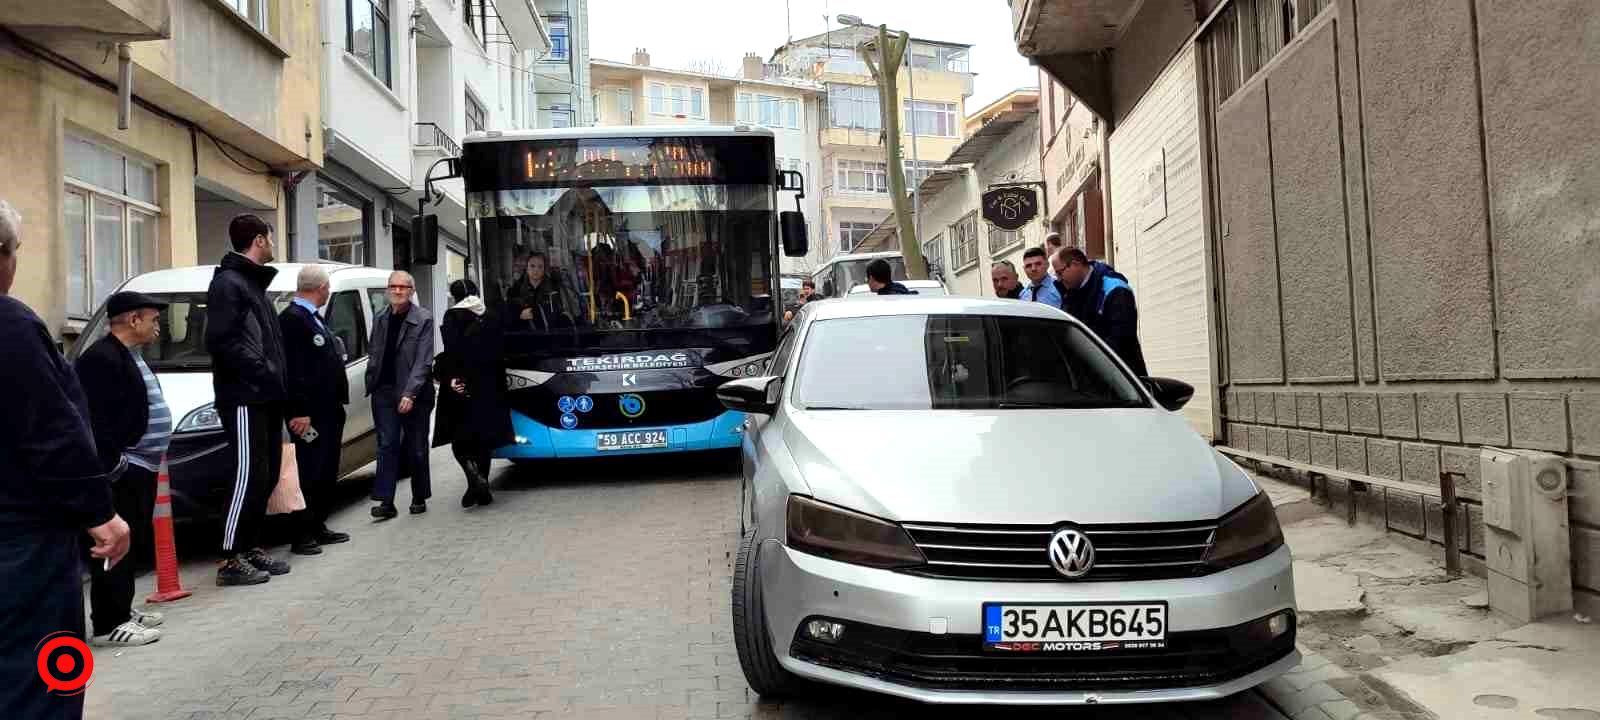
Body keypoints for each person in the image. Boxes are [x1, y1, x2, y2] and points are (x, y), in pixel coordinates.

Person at [0, 199, 129, 720]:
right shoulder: (11, 327)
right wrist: (101, 513)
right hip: (23, 550)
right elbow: (53, 432)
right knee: (49, 678)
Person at [73, 291, 173, 648]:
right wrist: (117, 465)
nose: (157, 327)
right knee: (115, 543)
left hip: (141, 466)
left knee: (130, 543)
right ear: (134, 320)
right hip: (123, 470)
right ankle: (108, 623)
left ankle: (122, 610)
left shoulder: (128, 354)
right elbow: (91, 421)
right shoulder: (101, 359)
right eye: (153, 320)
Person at [205, 213, 291, 586]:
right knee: (246, 475)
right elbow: (223, 342)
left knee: (266, 474)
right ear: (259, 240)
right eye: (270, 238)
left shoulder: (252, 285)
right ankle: (230, 558)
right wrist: (263, 372)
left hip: (265, 396)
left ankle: (250, 545)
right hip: (244, 396)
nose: (272, 244)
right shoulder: (228, 284)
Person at [278, 265, 351, 555]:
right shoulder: (292, 320)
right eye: (327, 288)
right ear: (321, 288)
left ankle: (318, 524)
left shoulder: (312, 318)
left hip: (328, 410)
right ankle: (301, 533)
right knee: (309, 471)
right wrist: (298, 410)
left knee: (325, 471)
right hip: (309, 415)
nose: (328, 292)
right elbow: (292, 371)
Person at [433, 279, 514, 508]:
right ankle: (481, 484)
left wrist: (453, 379)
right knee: (483, 442)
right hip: (490, 387)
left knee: (460, 442)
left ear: (455, 296)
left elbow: (453, 351)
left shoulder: (452, 316)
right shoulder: (492, 316)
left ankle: (473, 477)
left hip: (463, 387)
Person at [366, 271, 436, 520]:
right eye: (393, 286)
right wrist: (371, 382)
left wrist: (410, 393)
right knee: (387, 445)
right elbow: (374, 352)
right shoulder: (381, 317)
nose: (397, 291)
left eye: (403, 287)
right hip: (384, 392)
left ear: (412, 291)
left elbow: (423, 361)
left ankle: (419, 495)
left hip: (414, 393)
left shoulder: (423, 318)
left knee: (416, 447)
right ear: (387, 290)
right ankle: (386, 501)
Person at [1053, 247, 1149, 376]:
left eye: (1060, 272)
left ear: (1075, 264)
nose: (1058, 279)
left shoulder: (1115, 290)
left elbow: (1120, 341)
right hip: (1090, 380)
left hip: (1122, 381)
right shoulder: (1070, 293)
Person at [506, 251, 577, 330]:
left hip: (549, 336)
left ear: (544, 269)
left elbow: (562, 313)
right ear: (527, 268)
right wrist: (519, 315)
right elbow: (506, 317)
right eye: (532, 266)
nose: (536, 270)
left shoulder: (553, 288)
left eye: (540, 266)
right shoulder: (516, 289)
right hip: (526, 336)